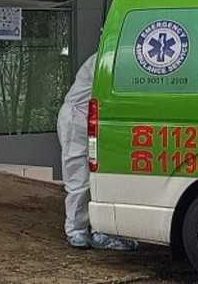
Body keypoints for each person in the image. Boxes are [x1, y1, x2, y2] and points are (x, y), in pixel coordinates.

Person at [57, 54, 138, 251]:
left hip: (96, 121)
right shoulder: (106, 58)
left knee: (99, 177)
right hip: (78, 119)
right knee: (79, 177)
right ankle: (76, 230)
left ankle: (101, 230)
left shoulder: (115, 56)